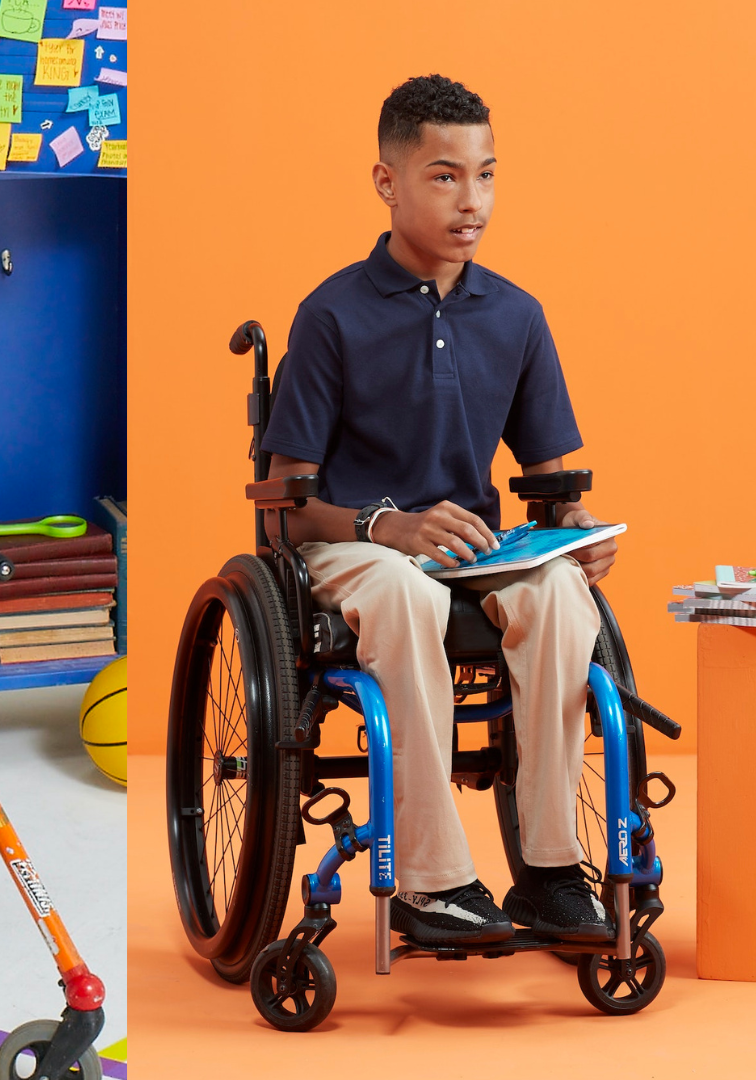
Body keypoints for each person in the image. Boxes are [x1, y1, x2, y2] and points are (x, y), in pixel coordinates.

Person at [259, 74, 619, 946]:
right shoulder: (332, 315)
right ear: (388, 182)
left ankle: (548, 868)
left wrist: (573, 536)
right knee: (404, 591)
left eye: (487, 175)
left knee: (564, 598)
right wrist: (388, 526)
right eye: (446, 176)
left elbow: (550, 482)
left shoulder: (518, 316)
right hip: (355, 546)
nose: (473, 201)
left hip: (475, 548)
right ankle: (433, 883)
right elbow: (286, 511)